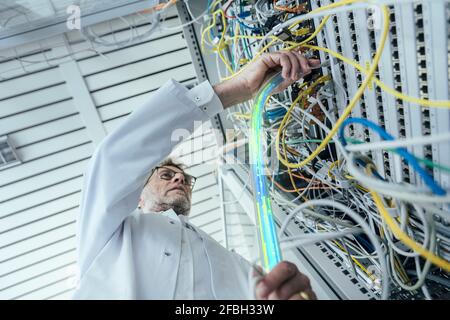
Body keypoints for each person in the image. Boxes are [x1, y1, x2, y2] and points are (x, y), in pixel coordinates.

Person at [72, 50, 319, 300]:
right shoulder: (108, 238)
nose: (180, 179)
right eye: (166, 175)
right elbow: (113, 161)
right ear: (138, 195)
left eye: (185, 179)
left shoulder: (230, 262)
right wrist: (237, 89)